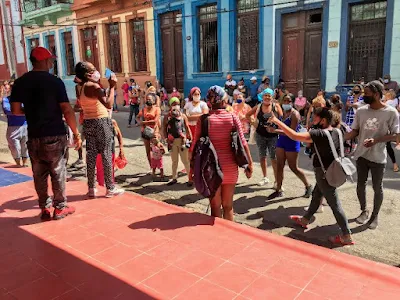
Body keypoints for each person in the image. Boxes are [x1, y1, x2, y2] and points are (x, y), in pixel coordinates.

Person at [10, 47, 81, 220]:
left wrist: (34, 110)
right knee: (58, 172)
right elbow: (67, 110)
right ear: (43, 61)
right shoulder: (55, 82)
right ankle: (60, 208)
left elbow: (16, 110)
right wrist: (76, 132)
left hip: (33, 135)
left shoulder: (20, 82)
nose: (52, 62)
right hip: (54, 134)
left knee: (39, 174)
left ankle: (45, 208)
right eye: (50, 60)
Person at [269, 107, 354, 245]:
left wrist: (277, 122)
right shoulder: (338, 130)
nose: (313, 121)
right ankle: (305, 219)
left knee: (335, 203)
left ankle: (346, 235)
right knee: (316, 195)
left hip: (324, 173)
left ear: (324, 120)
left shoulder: (318, 133)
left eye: (315, 118)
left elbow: (294, 136)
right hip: (333, 169)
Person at [192, 85, 253, 221]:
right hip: (230, 168)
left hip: (211, 169)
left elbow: (195, 146)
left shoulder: (203, 120)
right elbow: (243, 143)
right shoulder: (232, 117)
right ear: (224, 101)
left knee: (215, 206)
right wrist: (249, 165)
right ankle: (230, 237)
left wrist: (192, 170)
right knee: (228, 206)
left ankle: (217, 236)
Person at [345, 80, 399, 230]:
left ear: (377, 94)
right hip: (361, 155)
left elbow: (395, 135)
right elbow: (355, 131)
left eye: (367, 93)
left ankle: (375, 216)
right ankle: (364, 211)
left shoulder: (390, 112)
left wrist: (376, 140)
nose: (364, 96)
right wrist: (339, 138)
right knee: (360, 185)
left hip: (378, 157)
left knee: (377, 187)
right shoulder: (361, 111)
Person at [75, 61, 124, 198]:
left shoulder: (79, 87)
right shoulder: (93, 86)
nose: (96, 71)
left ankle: (91, 187)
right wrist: (112, 86)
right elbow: (108, 103)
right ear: (88, 74)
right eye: (93, 69)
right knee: (106, 154)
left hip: (88, 122)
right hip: (101, 122)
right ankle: (110, 188)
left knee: (91, 155)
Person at [274, 95, 312, 197]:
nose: (286, 102)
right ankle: (278, 189)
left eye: (289, 100)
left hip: (292, 142)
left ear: (292, 102)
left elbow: (291, 132)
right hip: (281, 141)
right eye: (285, 100)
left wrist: (275, 131)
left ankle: (308, 186)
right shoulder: (283, 113)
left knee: (293, 167)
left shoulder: (295, 114)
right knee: (279, 166)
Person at [246, 88, 283, 187]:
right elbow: (247, 115)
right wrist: (254, 122)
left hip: (273, 136)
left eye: (269, 95)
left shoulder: (276, 106)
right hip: (260, 135)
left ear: (272, 97)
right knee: (262, 157)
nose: (267, 97)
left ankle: (277, 181)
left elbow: (282, 119)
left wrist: (275, 127)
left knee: (274, 158)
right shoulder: (258, 106)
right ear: (262, 97)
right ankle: (265, 177)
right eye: (265, 95)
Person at [163, 97, 192, 186]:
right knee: (174, 161)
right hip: (172, 142)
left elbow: (187, 127)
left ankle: (190, 179)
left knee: (186, 161)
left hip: (182, 141)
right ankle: (174, 178)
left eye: (177, 104)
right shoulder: (167, 117)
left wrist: (190, 137)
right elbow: (164, 128)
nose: (176, 106)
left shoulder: (183, 116)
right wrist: (165, 138)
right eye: (174, 104)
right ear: (170, 106)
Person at [2, 82, 29, 167]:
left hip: (25, 126)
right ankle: (18, 164)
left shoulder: (26, 99)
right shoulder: (6, 100)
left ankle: (24, 164)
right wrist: (24, 111)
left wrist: (18, 111)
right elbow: (8, 111)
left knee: (25, 147)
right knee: (15, 147)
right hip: (13, 127)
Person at [136, 93, 161, 170]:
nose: (148, 100)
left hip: (154, 132)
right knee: (148, 151)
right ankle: (152, 167)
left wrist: (143, 123)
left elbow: (155, 121)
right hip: (145, 132)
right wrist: (139, 121)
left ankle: (160, 167)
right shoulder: (143, 110)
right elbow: (137, 117)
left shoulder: (157, 109)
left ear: (154, 100)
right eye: (147, 99)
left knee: (156, 150)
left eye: (149, 99)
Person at [382, 89, 399, 172]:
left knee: (387, 145)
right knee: (387, 146)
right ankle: (394, 164)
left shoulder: (387, 104)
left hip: (386, 126)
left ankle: (395, 164)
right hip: (384, 125)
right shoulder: (393, 102)